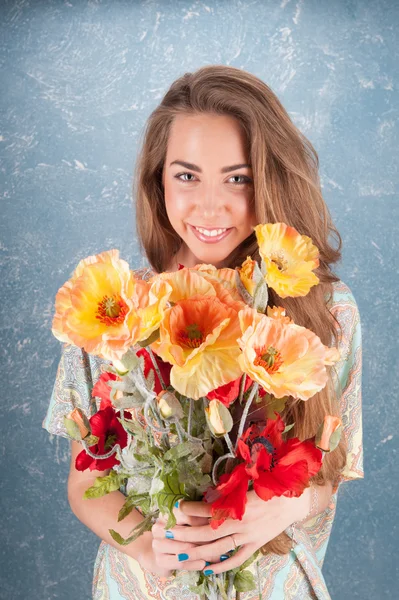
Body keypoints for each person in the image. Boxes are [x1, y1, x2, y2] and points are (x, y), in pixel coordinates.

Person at [42, 65, 364, 599]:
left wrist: (286, 505)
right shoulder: (111, 312)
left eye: (237, 178)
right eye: (187, 176)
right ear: (158, 180)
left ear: (271, 180)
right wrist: (147, 545)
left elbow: (331, 469)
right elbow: (83, 483)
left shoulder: (329, 313)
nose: (209, 205)